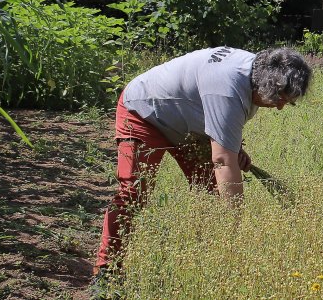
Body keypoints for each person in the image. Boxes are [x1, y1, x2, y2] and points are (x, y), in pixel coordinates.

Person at [93, 46, 311, 278]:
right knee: (134, 191)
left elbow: (219, 118)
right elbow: (222, 161)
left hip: (186, 123)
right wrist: (235, 227)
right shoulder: (228, 88)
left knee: (213, 194)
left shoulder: (257, 70)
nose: (279, 107)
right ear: (266, 83)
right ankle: (107, 270)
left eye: (288, 102)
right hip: (144, 111)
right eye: (279, 99)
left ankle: (205, 267)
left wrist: (233, 146)